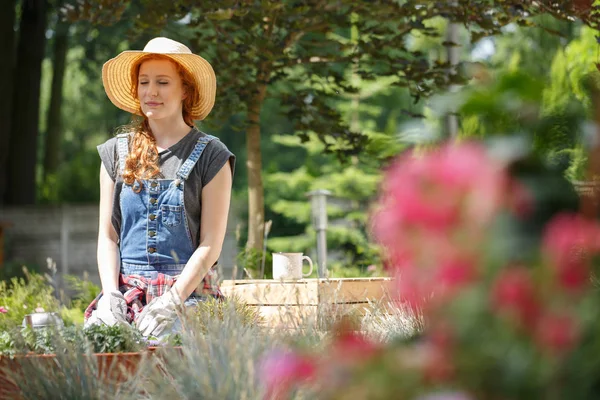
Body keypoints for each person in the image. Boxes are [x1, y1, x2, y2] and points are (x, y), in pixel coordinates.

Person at [84, 37, 235, 338]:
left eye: (163, 82)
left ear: (186, 91)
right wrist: (111, 295)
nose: (151, 91)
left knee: (167, 350)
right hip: (125, 295)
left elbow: (210, 245)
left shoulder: (212, 156)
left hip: (187, 296)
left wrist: (173, 300)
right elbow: (108, 237)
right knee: (99, 348)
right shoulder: (115, 153)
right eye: (144, 82)